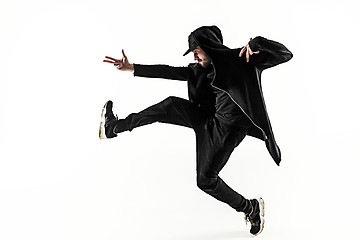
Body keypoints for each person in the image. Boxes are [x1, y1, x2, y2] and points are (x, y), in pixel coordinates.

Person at [100, 25, 292, 236]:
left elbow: (285, 54)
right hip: (206, 118)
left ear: (209, 46)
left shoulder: (242, 59)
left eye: (197, 50)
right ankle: (113, 128)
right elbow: (168, 71)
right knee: (169, 104)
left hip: (227, 130)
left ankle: (250, 208)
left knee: (205, 180)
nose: (193, 55)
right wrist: (133, 68)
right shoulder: (200, 69)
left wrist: (258, 43)